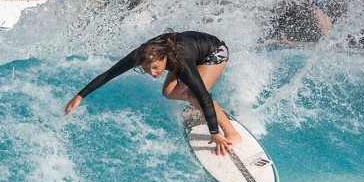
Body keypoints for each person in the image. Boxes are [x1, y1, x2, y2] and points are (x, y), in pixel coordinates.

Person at [64, 30, 241, 156]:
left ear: (164, 58)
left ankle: (231, 132)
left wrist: (214, 133)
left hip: (214, 52)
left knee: (197, 95)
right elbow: (110, 73)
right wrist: (80, 96)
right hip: (187, 51)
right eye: (147, 69)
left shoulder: (182, 63)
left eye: (156, 68)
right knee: (169, 92)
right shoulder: (143, 54)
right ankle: (200, 108)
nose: (153, 73)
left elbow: (204, 96)